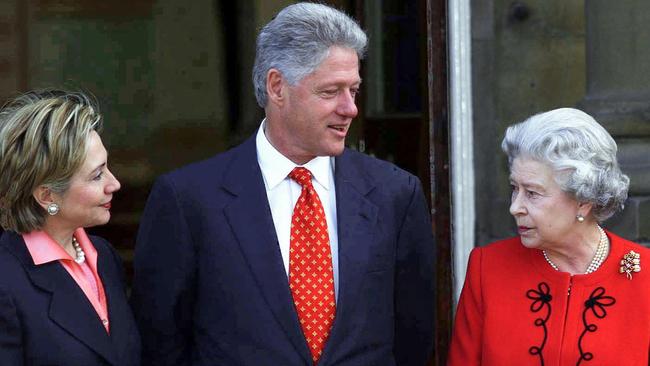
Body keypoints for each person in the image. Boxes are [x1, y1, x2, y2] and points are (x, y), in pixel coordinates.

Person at [131, 3, 436, 366]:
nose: (350, 108)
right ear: (277, 87)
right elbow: (161, 342)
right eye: (330, 91)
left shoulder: (395, 194)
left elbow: (414, 337)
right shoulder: (188, 200)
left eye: (353, 90)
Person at [448, 108, 650, 365]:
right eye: (514, 189)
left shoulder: (646, 277)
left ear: (583, 200)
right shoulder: (487, 268)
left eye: (532, 193)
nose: (515, 207)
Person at [0, 90, 141, 365]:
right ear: (47, 196)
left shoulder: (104, 256)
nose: (114, 184)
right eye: (97, 175)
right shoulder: (6, 281)